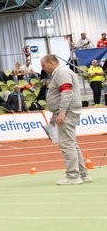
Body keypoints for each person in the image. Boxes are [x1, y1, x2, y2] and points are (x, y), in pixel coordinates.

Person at [40, 54, 91, 184]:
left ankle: (73, 176)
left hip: (67, 112)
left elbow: (66, 92)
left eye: (43, 65)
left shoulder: (62, 73)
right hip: (65, 111)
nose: (42, 68)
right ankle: (83, 174)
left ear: (51, 62)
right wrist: (55, 114)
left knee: (66, 144)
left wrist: (61, 112)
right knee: (71, 143)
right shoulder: (61, 73)